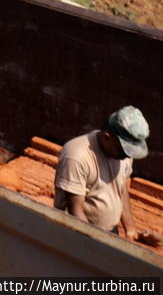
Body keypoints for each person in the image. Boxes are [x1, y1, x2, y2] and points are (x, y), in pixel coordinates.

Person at [54, 105, 161, 246]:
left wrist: (131, 229)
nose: (127, 156)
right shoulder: (77, 156)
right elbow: (75, 211)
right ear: (106, 137)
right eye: (123, 151)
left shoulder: (123, 151)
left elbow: (121, 187)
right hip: (76, 235)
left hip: (108, 232)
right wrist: (96, 247)